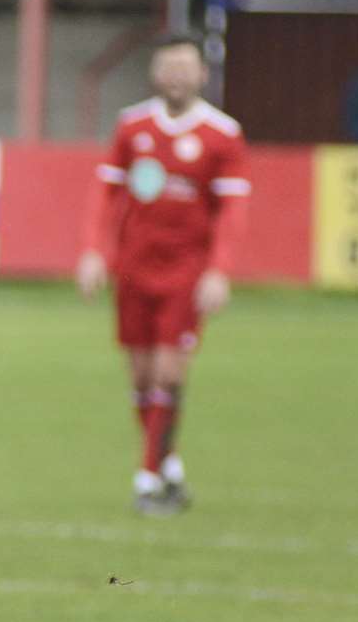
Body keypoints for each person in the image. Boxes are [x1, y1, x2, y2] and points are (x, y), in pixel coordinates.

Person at [76, 33, 250, 516]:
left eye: (185, 66)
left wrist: (219, 271)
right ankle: (169, 467)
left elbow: (232, 212)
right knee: (140, 377)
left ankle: (148, 478)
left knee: (168, 375)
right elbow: (106, 194)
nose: (177, 75)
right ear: (156, 73)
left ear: (203, 74)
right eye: (168, 66)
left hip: (186, 274)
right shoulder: (133, 126)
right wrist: (94, 252)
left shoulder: (223, 134)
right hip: (133, 270)